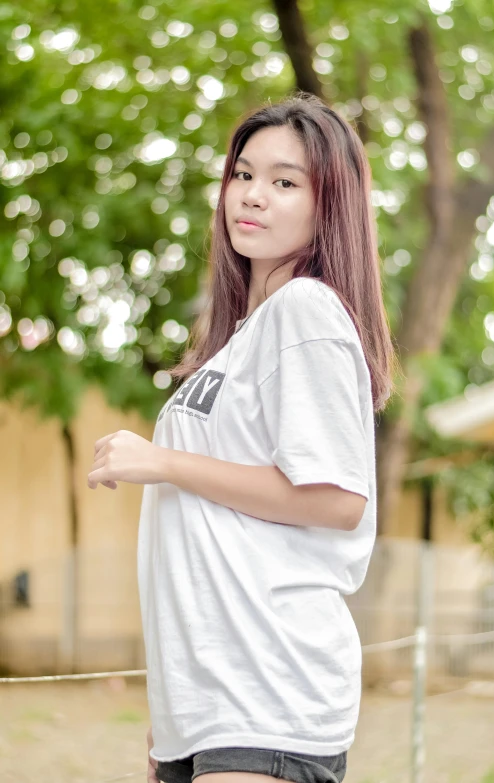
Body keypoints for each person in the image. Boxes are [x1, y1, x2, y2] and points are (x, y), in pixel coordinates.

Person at [88, 92, 396, 783]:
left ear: (328, 205)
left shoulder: (305, 310)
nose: (252, 195)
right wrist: (173, 715)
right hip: (211, 702)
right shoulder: (240, 339)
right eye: (243, 174)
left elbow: (337, 498)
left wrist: (163, 460)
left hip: (269, 691)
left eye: (285, 182)